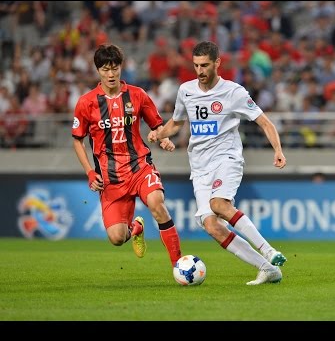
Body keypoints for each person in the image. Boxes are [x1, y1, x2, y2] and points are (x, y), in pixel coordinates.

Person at [149, 40, 287, 285]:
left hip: (227, 158)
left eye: (205, 65)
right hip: (199, 167)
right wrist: (159, 133)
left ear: (217, 63)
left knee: (219, 203)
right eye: (196, 65)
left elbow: (265, 122)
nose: (200, 71)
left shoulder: (234, 92)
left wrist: (277, 149)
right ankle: (267, 269)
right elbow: (177, 123)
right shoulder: (186, 91)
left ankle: (268, 250)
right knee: (212, 226)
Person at [71, 43, 182, 269]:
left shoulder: (138, 95)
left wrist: (163, 138)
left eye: (115, 68)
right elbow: (77, 140)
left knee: (157, 204)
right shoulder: (86, 102)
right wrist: (90, 172)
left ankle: (179, 265)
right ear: (98, 71)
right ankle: (136, 228)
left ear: (121, 67)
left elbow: (157, 126)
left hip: (139, 166)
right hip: (110, 178)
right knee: (117, 238)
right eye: (105, 69)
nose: (110, 74)